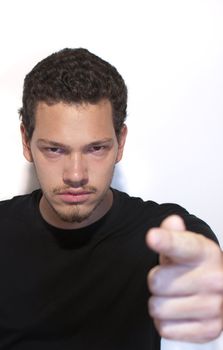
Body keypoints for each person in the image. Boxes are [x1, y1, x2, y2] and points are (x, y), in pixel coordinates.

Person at [0, 48, 222, 350]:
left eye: (96, 149)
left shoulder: (164, 235)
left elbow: (202, 264)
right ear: (26, 141)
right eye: (55, 149)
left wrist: (208, 286)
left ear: (120, 144)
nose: (75, 174)